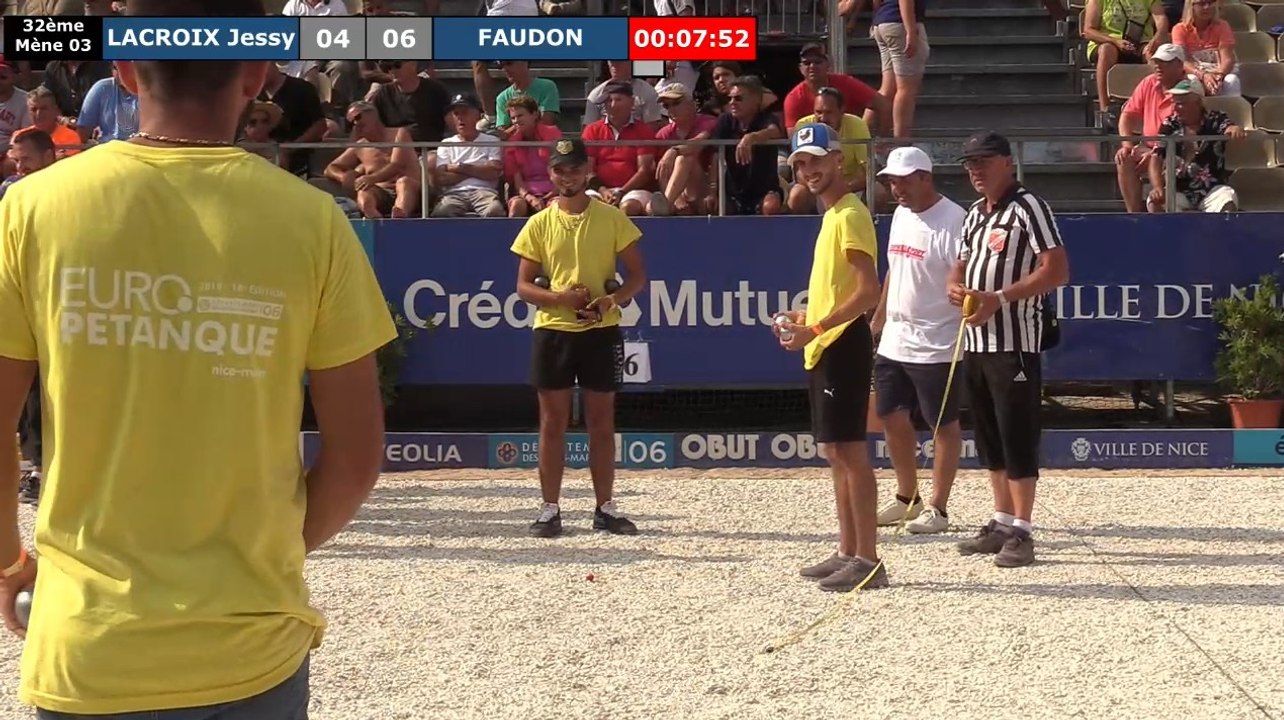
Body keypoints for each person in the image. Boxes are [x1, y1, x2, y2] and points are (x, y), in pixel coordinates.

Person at [0, 1, 396, 717]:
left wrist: (9, 561)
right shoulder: (312, 221)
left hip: (89, 648)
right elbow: (358, 455)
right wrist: (269, 558)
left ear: (121, 69)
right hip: (250, 650)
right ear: (256, 76)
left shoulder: (30, 209)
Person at [511, 138, 646, 539]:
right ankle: (549, 509)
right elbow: (522, 286)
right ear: (550, 173)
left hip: (600, 331)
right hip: (553, 330)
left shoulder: (612, 217)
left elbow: (638, 276)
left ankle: (605, 507)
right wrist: (559, 298)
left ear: (587, 171)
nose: (566, 176)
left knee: (601, 423)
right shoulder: (538, 222)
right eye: (559, 169)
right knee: (552, 423)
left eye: (573, 169)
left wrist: (611, 300)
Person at [947, 131, 1070, 568]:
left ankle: (1023, 528)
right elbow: (960, 261)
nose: (974, 170)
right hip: (976, 340)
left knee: (1016, 432)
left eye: (983, 161)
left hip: (1014, 339)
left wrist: (999, 298)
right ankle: (1001, 520)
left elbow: (1056, 270)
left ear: (1006, 162)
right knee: (988, 434)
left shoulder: (1028, 206)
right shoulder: (974, 215)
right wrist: (953, 285)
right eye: (968, 163)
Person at [776, 124, 885, 592]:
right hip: (826, 343)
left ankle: (869, 560)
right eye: (800, 164)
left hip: (841, 344)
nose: (808, 170)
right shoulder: (834, 214)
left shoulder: (850, 214)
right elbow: (843, 290)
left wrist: (816, 327)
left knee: (851, 452)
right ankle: (848, 550)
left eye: (815, 160)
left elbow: (868, 292)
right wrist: (807, 316)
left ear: (839, 159)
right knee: (835, 451)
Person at [869, 147, 967, 534]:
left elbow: (960, 277)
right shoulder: (899, 216)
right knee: (890, 415)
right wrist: (879, 316)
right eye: (891, 181)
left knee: (943, 423)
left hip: (939, 339)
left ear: (926, 177)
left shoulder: (955, 220)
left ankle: (938, 508)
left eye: (904, 180)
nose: (897, 189)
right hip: (896, 336)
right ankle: (907, 498)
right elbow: (895, 270)